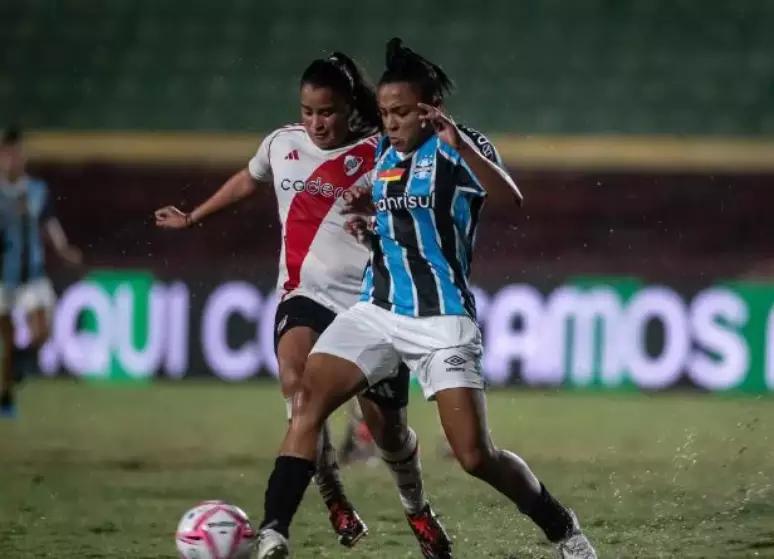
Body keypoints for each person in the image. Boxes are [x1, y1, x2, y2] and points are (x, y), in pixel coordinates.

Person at [254, 39, 598, 559]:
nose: (390, 123)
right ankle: (273, 532)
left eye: (401, 112)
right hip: (376, 310)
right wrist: (367, 217)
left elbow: (510, 200)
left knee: (475, 456)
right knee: (307, 402)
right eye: (385, 113)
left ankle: (562, 526)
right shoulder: (384, 152)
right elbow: (392, 208)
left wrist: (461, 147)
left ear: (431, 109)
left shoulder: (459, 147)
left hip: (441, 318)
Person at [155, 52, 451, 557]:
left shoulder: (381, 150)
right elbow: (249, 178)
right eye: (308, 111)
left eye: (327, 112)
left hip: (371, 305)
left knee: (391, 436)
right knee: (298, 393)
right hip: (303, 295)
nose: (316, 123)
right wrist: (194, 216)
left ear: (349, 108)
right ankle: (327, 498)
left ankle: (417, 509)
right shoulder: (281, 144)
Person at [0, 125, 83, 418]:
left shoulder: (37, 190)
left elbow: (49, 223)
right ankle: (6, 396)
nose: (13, 159)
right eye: (8, 154)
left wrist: (63, 248)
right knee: (7, 339)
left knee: (42, 332)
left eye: (17, 154)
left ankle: (18, 367)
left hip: (32, 274)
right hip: (3, 276)